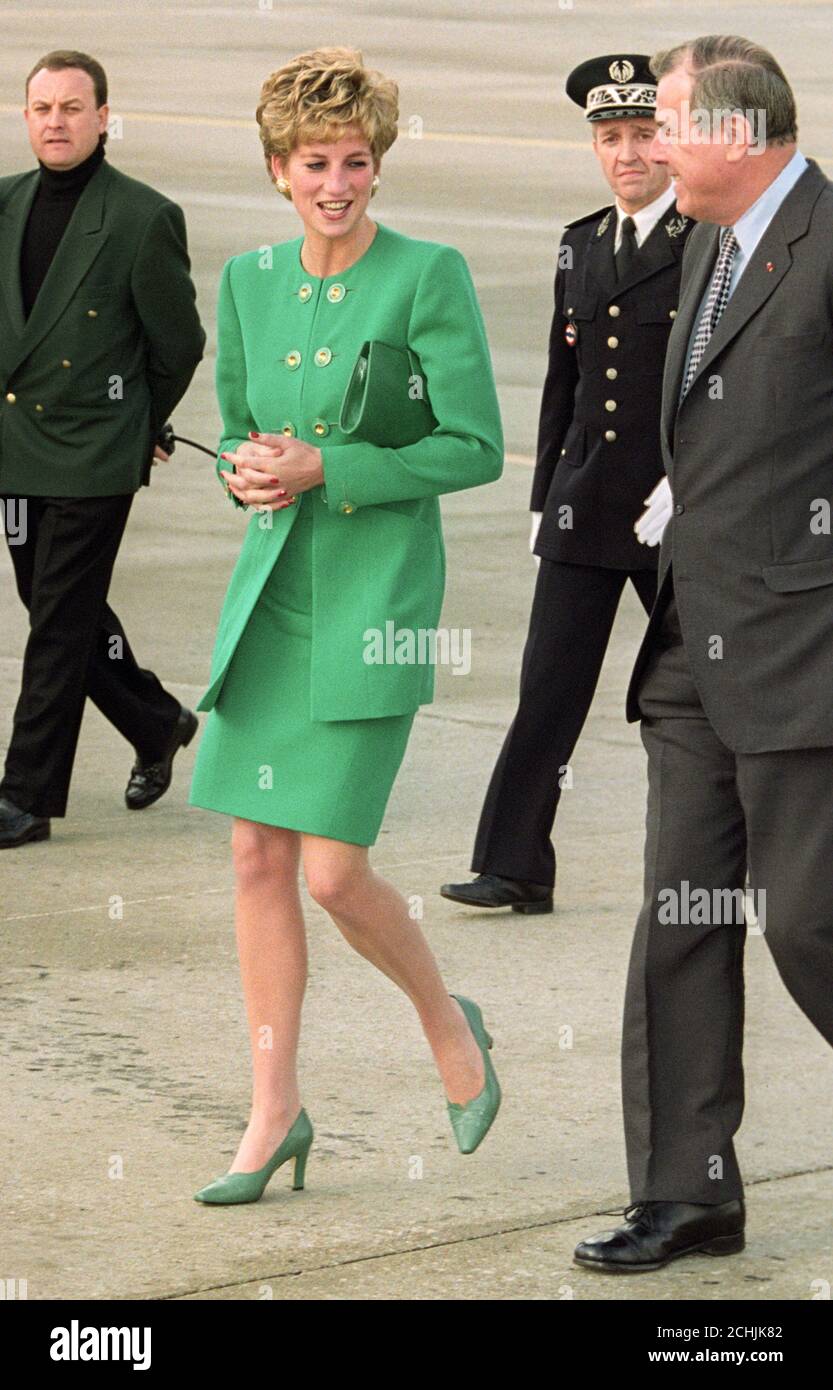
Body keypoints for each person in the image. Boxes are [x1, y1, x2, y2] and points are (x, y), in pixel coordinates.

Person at [188, 47, 505, 1205]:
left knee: (332, 873)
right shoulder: (249, 279)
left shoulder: (428, 273)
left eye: (356, 162)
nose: (338, 183)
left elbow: (471, 445)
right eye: (315, 164)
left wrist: (335, 466)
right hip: (271, 600)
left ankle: (445, 1018)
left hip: (374, 607)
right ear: (277, 170)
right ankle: (274, 1111)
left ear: (377, 164)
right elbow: (234, 431)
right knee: (253, 853)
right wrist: (253, 472)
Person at [575, 34, 833, 1272]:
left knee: (808, 924)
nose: (645, 146)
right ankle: (689, 1188)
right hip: (690, 640)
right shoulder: (703, 248)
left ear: (735, 135)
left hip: (806, 645)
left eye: (666, 122)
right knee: (680, 913)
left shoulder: (823, 248)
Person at [441, 55, 693, 915]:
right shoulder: (579, 243)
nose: (627, 153)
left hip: (675, 509)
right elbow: (564, 381)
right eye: (610, 138)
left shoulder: (706, 240)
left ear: (671, 141)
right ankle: (513, 864)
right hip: (588, 501)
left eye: (643, 134)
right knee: (547, 686)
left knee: (711, 689)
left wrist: (691, 484)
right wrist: (546, 492)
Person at [0, 50, 205, 849]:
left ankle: (26, 796)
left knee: (55, 623)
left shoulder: (139, 217)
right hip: (16, 449)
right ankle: (155, 722)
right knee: (58, 609)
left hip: (91, 454)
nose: (56, 121)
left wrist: (138, 421)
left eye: (72, 107)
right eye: (42, 107)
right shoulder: (6, 203)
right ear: (26, 118)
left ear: (103, 118)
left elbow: (177, 343)